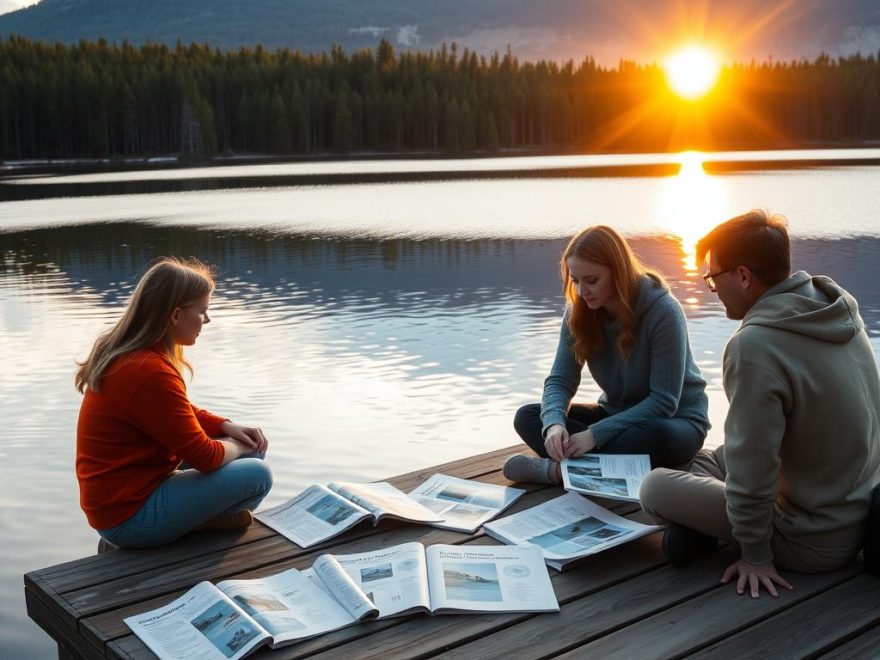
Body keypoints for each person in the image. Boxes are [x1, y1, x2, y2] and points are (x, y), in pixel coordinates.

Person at [640, 209, 880, 598]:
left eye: (713, 280)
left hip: (809, 541)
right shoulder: (837, 310)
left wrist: (755, 555)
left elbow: (754, 469)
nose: (712, 292)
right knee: (713, 458)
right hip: (859, 511)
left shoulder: (754, 346)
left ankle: (704, 531)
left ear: (744, 276)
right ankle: (701, 529)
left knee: (653, 487)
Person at [75, 257, 273, 549]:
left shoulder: (135, 355)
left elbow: (175, 412)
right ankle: (197, 524)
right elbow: (206, 456)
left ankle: (193, 520)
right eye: (202, 311)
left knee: (247, 457)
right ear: (176, 315)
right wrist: (244, 445)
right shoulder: (148, 370)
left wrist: (226, 426)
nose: (207, 320)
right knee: (257, 472)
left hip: (129, 495)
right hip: (128, 519)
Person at [503, 225, 710, 486]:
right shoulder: (577, 315)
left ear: (618, 272)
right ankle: (599, 467)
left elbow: (664, 402)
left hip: (675, 422)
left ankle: (554, 472)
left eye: (592, 280)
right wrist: (555, 425)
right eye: (575, 281)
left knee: (657, 436)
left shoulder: (663, 311)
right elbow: (560, 380)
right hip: (615, 416)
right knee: (530, 416)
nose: (581, 291)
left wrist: (595, 435)